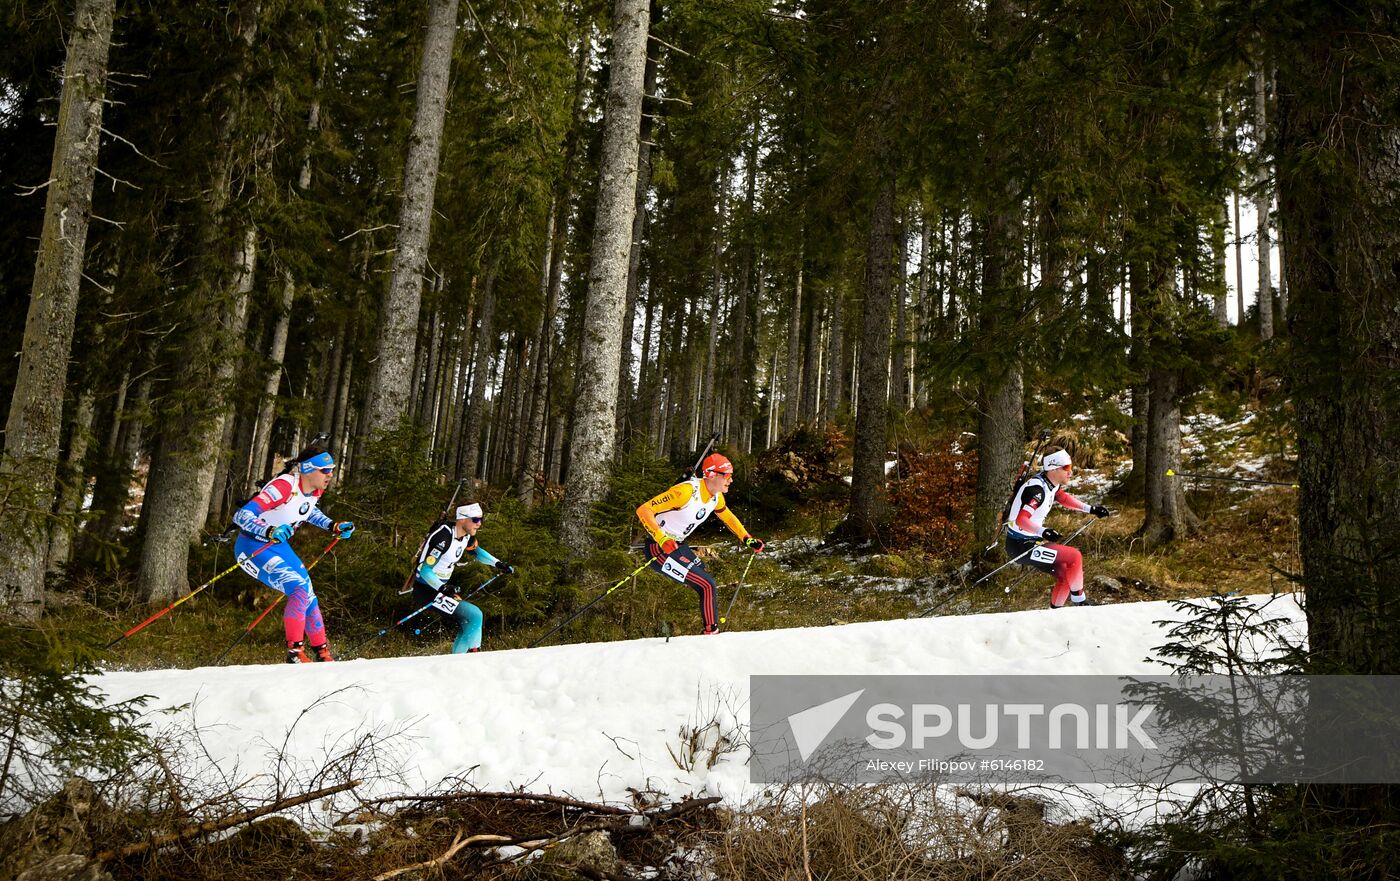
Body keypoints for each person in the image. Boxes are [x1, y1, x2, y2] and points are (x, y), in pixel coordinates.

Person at [232, 446, 354, 663]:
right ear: (307, 469)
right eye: (325, 470)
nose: (330, 474)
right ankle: (295, 654)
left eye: (332, 469)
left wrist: (332, 525)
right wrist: (269, 530)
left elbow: (307, 509)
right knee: (297, 587)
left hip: (278, 547)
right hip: (252, 547)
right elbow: (242, 515)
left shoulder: (315, 489)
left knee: (308, 593)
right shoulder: (283, 487)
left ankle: (323, 653)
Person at [635, 453, 764, 635]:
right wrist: (662, 538)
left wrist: (747, 538)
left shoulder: (716, 496)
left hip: (678, 545)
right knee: (707, 584)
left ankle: (681, 623)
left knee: (701, 574)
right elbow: (644, 509)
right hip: (659, 547)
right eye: (727, 476)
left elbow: (727, 516)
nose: (731, 480)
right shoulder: (686, 492)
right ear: (712, 475)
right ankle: (711, 632)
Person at [1004, 448, 1112, 607]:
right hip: (1021, 546)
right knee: (1074, 556)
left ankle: (1055, 612)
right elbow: (1021, 520)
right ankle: (1080, 602)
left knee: (1066, 575)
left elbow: (1061, 497)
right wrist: (1043, 531)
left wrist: (1090, 509)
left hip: (1031, 541)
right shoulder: (1037, 490)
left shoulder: (1050, 482)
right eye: (1067, 468)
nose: (1071, 472)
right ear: (1053, 469)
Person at [411, 502, 513, 653]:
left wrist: (497, 563)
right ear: (462, 519)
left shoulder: (466, 537)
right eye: (476, 520)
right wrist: (443, 588)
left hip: (441, 589)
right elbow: (425, 570)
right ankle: (462, 661)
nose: (479, 524)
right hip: (426, 590)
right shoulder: (443, 538)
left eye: (481, 520)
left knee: (469, 621)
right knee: (475, 615)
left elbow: (477, 552)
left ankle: (463, 658)